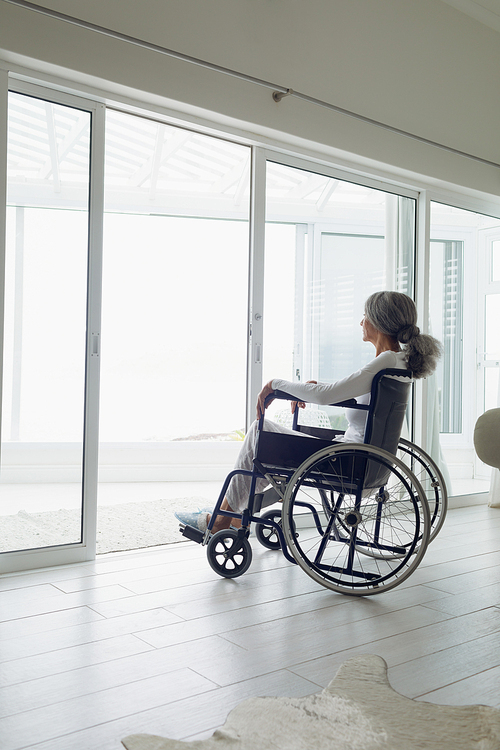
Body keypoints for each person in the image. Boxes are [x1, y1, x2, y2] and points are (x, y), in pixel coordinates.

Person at [175, 291, 441, 534]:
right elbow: (344, 391)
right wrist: (308, 388)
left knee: (259, 432)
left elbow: (328, 395)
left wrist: (275, 385)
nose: (361, 323)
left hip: (345, 462)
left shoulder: (384, 362)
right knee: (268, 446)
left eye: (365, 316)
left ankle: (220, 519)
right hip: (366, 462)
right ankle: (235, 512)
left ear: (379, 322)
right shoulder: (398, 363)